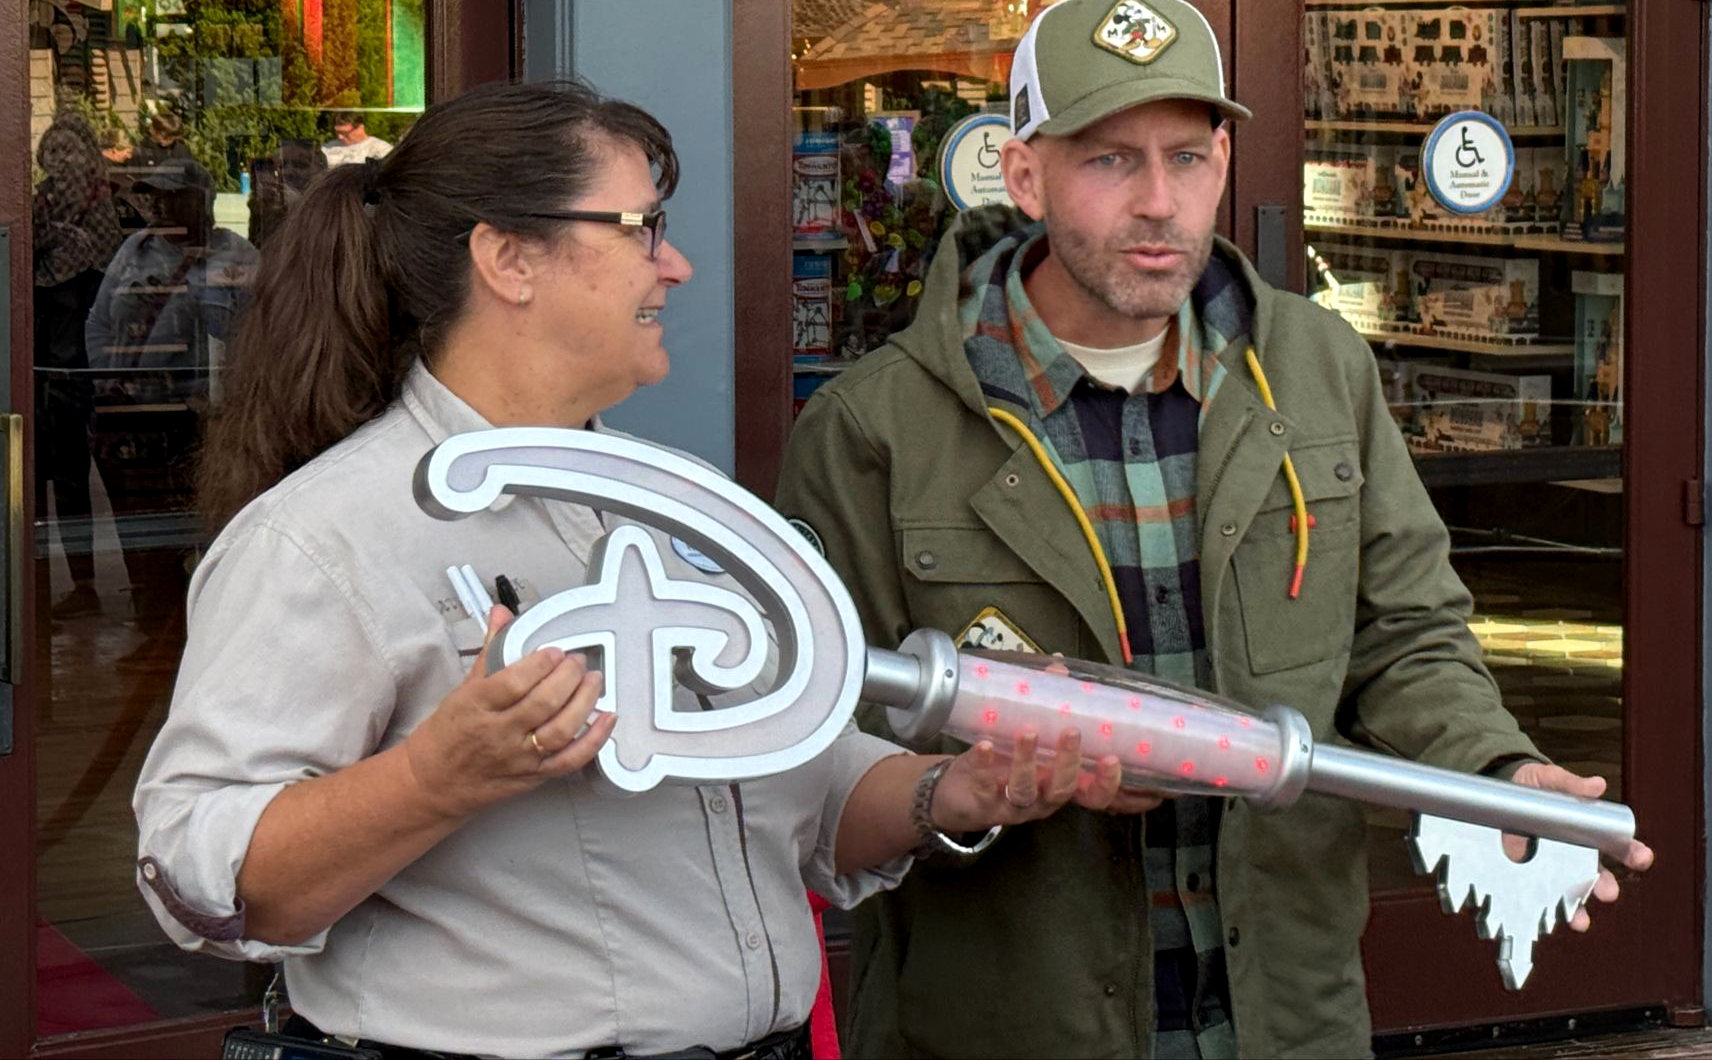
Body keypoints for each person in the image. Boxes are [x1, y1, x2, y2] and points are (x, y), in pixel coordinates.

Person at [134, 80, 1129, 1060]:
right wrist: (437, 776)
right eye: (643, 230)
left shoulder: (684, 512)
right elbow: (199, 877)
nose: (678, 266)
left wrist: (952, 791)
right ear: (509, 259)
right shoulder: (326, 536)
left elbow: (803, 793)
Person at [776, 0, 1655, 1060]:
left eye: (1187, 158)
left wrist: (1495, 771)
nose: (1160, 202)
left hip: (1283, 1018)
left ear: (1224, 163)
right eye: (1110, 159)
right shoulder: (873, 428)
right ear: (1024, 174)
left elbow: (1405, 635)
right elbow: (822, 755)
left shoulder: (1317, 370)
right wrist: (974, 783)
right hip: (1007, 1025)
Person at [86, 156, 259, 649]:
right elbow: (98, 321)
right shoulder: (134, 251)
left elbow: (254, 338)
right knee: (137, 532)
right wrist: (108, 380)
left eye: (171, 196)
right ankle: (151, 633)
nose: (160, 207)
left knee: (198, 532)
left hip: (200, 423)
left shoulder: (239, 257)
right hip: (132, 417)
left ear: (201, 200)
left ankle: (198, 643)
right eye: (155, 196)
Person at [31, 114, 128, 618]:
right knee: (28, 481)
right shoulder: (37, 204)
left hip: (76, 366)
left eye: (70, 150)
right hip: (36, 362)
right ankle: (28, 594)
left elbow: (96, 264)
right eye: (53, 151)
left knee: (72, 479)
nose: (60, 160)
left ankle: (84, 585)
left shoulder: (101, 206)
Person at [322, 107, 395, 166]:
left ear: (360, 128)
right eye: (337, 132)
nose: (340, 137)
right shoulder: (327, 147)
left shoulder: (381, 150)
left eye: (345, 133)